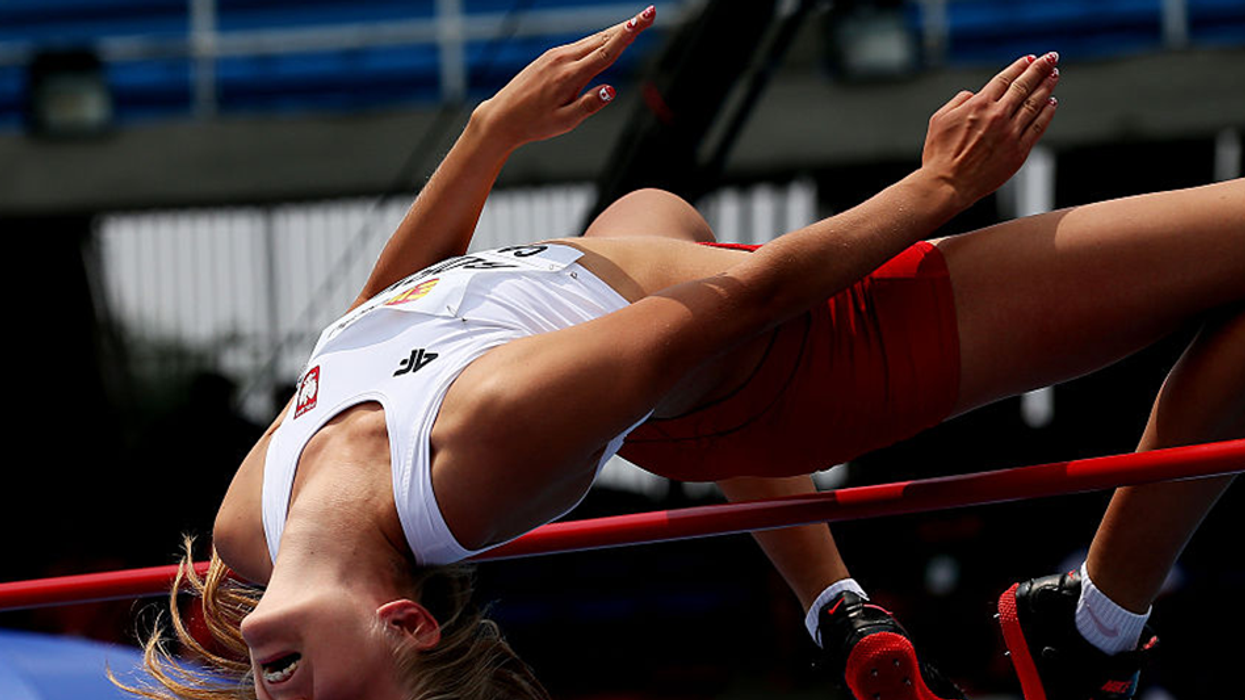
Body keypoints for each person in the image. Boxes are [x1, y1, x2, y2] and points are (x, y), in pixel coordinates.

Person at [111, 6, 1245, 700]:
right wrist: (936, 190)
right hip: (815, 346)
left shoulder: (247, 524)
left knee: (649, 206)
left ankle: (833, 603)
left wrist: (486, 135)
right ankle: (1090, 623)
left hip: (635, 287)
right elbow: (742, 303)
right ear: (403, 624)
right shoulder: (484, 450)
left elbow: (369, 327)